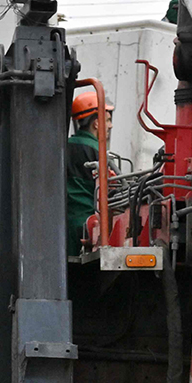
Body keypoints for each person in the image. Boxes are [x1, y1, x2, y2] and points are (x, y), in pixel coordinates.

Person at [67, 85, 112, 259]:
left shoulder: (65, 147)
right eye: (107, 120)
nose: (110, 125)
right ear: (96, 123)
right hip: (90, 226)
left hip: (65, 224)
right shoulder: (98, 151)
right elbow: (113, 191)